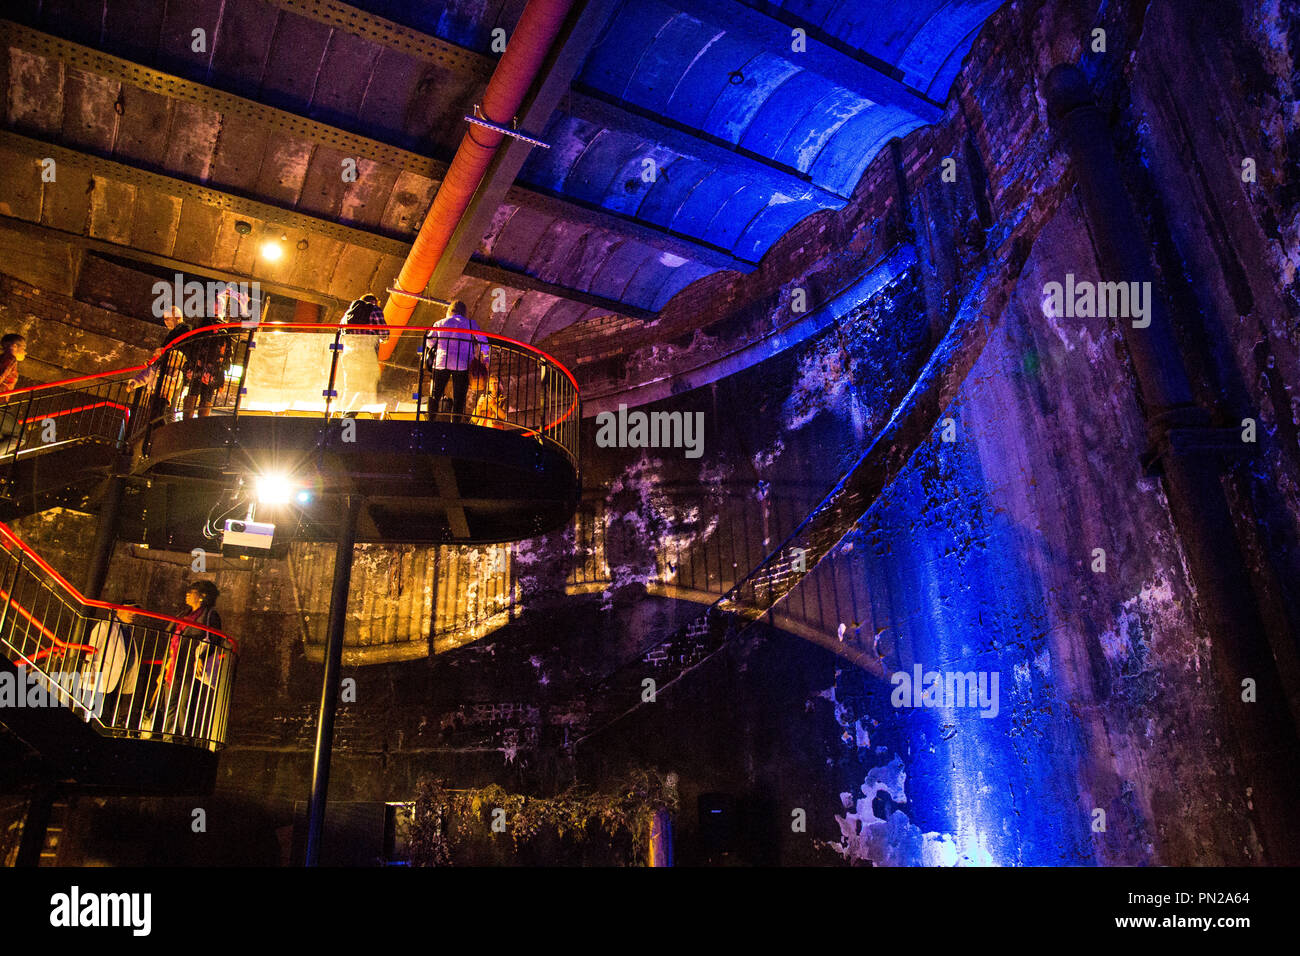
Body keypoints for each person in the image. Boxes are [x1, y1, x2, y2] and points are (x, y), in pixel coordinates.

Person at [148, 581, 223, 739]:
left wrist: (202, 657)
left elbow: (215, 639)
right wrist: (167, 663)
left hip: (191, 665)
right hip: (176, 664)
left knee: (184, 705)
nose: (188, 594)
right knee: (170, 703)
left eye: (193, 591)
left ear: (203, 596)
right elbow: (172, 639)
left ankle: (183, 739)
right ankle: (168, 738)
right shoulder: (184, 614)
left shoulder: (210, 615)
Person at [78, 601, 144, 723]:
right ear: (119, 610)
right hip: (99, 679)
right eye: (130, 610)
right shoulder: (105, 626)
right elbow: (91, 652)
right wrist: (89, 677)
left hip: (115, 680)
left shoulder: (128, 631)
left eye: (136, 612)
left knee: (105, 715)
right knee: (92, 714)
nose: (133, 614)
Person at [424, 300, 487, 422]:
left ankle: (430, 420)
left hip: (442, 361)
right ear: (464, 312)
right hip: (462, 363)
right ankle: (455, 424)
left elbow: (430, 342)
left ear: (449, 311)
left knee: (435, 394)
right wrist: (486, 357)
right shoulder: (470, 324)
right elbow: (483, 340)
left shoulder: (440, 323)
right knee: (459, 396)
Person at [339, 294, 388, 412]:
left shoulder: (349, 313)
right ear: (375, 302)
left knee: (349, 387)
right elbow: (385, 334)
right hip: (366, 353)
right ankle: (350, 413)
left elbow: (341, 334)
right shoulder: (375, 309)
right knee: (367, 386)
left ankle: (341, 414)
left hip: (349, 353)